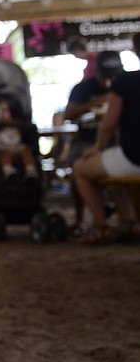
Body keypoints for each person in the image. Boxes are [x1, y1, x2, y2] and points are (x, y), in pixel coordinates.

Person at [72, 55, 140, 244]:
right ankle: (129, 223)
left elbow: (110, 122)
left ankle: (102, 227)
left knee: (81, 168)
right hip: (126, 155)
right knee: (110, 167)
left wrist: (98, 147)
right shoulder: (120, 80)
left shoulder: (127, 81)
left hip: (133, 157)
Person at [63, 50, 124, 232]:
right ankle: (80, 218)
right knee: (76, 166)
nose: (109, 80)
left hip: (117, 140)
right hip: (86, 139)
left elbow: (110, 123)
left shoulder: (124, 85)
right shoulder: (83, 88)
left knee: (117, 172)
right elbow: (68, 114)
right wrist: (96, 102)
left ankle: (120, 220)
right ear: (95, 71)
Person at [0, 98, 38, 183]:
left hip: (16, 146)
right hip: (1, 147)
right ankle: (9, 172)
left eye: (5, 110)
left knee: (26, 151)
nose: (3, 113)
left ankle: (31, 171)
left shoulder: (14, 124)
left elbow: (19, 135)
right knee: (4, 153)